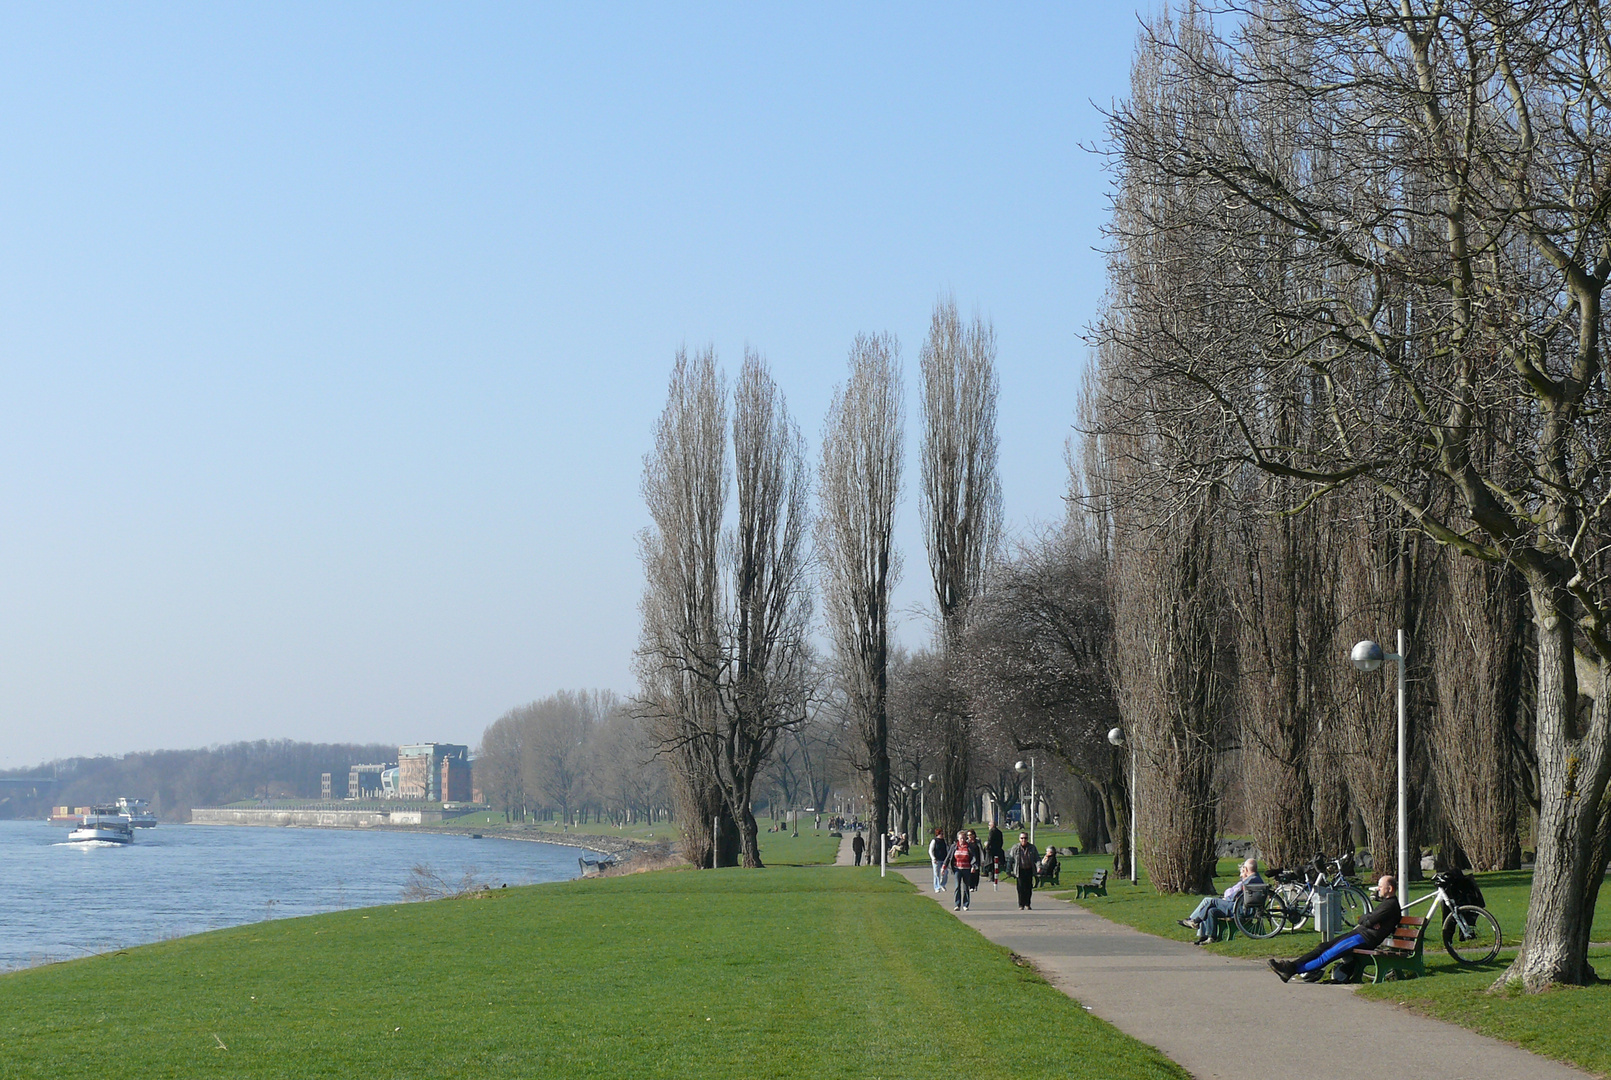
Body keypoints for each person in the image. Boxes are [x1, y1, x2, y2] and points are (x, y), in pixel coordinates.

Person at [1268, 875, 1402, 983]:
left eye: (1380, 886)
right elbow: (1364, 919)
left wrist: (1369, 921)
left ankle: (1291, 970)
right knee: (1323, 947)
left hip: (1364, 938)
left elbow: (1369, 920)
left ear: (1389, 888)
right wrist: (1367, 920)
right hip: (1360, 933)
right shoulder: (1386, 904)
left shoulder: (1390, 906)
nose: (1378, 889)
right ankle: (1291, 966)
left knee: (1328, 955)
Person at [1178, 858, 1262, 945]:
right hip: (1242, 907)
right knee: (1211, 911)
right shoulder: (1256, 879)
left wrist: (1226, 899)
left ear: (1247, 869)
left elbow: (1235, 896)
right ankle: (1211, 937)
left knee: (1212, 902)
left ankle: (1196, 921)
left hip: (1240, 909)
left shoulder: (1249, 881)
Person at [1006, 831, 1040, 910]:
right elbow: (1010, 860)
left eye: (1025, 838)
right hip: (1019, 870)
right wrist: (1008, 871)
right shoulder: (1015, 848)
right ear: (1019, 839)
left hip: (1029, 869)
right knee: (1020, 888)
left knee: (1028, 887)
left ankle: (1027, 904)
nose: (1023, 840)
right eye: (1022, 838)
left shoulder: (1032, 848)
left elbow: (1037, 858)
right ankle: (1021, 904)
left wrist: (1039, 867)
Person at [946, 829, 975, 911]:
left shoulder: (969, 847)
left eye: (964, 838)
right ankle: (957, 904)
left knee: (966, 887)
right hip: (957, 869)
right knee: (957, 886)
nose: (962, 840)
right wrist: (944, 867)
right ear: (958, 839)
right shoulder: (954, 847)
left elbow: (974, 858)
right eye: (961, 838)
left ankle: (965, 904)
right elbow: (948, 857)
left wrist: (973, 866)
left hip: (966, 869)